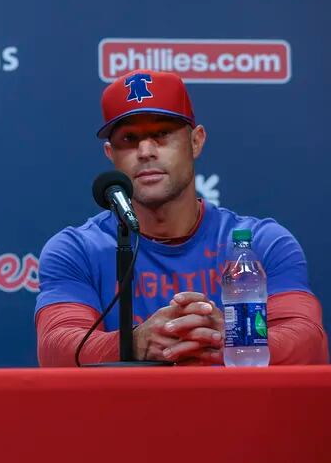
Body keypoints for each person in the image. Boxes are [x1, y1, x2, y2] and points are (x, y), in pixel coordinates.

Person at [36, 69, 328, 366]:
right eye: (129, 138)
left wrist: (233, 337)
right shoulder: (77, 249)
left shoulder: (262, 242)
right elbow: (55, 349)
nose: (145, 151)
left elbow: (309, 342)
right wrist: (133, 343)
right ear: (111, 154)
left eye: (162, 133)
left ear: (196, 141)